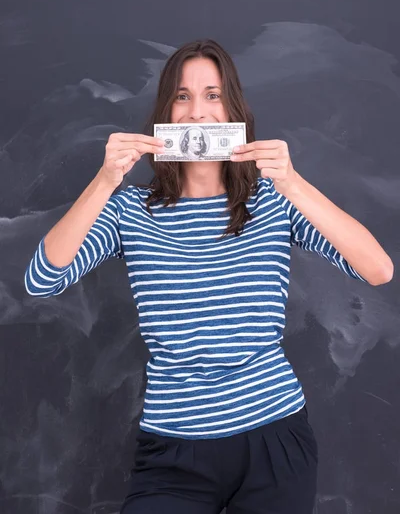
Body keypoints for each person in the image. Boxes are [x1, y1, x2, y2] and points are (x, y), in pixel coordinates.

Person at [24, 39, 394, 514]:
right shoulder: (129, 211)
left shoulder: (273, 202)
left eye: (213, 95)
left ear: (233, 109)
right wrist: (104, 182)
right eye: (182, 96)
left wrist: (293, 183)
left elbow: (378, 269)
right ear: (164, 113)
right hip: (173, 452)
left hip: (274, 437)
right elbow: (41, 280)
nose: (197, 112)